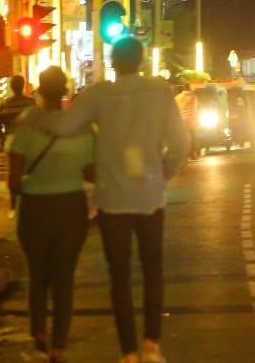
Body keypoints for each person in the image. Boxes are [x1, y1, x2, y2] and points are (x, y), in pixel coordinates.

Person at [40, 37, 188, 363]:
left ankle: (128, 352)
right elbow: (180, 141)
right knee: (153, 270)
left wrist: (36, 116)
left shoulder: (97, 95)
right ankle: (152, 344)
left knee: (119, 276)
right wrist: (163, 171)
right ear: (142, 60)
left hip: (112, 199)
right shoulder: (160, 92)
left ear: (112, 62)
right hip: (150, 197)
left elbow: (64, 126)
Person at [7, 67, 94, 363]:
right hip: (71, 208)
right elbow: (91, 172)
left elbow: (13, 180)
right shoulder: (80, 127)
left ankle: (39, 341)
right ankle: (59, 346)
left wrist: (33, 184)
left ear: (39, 91)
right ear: (66, 90)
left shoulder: (25, 124)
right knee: (64, 276)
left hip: (35, 209)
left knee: (37, 274)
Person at [0, 75, 36, 142]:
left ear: (11, 86)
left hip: (11, 143)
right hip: (28, 142)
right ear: (23, 85)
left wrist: (2, 139)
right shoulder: (30, 102)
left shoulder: (4, 104)